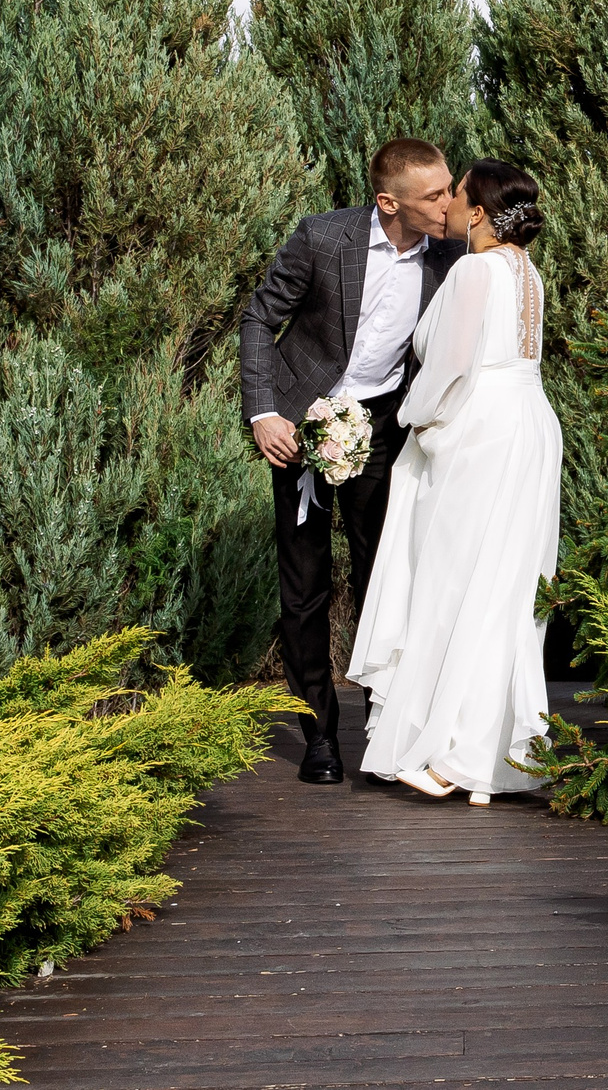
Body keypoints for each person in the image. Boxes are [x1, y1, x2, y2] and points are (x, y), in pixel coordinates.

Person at [238, 138, 465, 785]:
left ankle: (381, 724)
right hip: (299, 425)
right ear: (389, 202)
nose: (447, 202)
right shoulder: (322, 238)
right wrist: (264, 413)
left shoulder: (450, 257)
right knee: (304, 587)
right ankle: (318, 734)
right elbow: (260, 319)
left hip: (383, 430)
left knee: (384, 576)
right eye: (434, 194)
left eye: (449, 188)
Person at [348, 159, 563, 804]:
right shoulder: (530, 273)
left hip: (481, 431)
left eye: (457, 193)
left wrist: (417, 425)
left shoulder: (473, 269)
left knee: (454, 580)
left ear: (477, 213)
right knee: (503, 586)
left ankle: (450, 754)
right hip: (529, 423)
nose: (446, 204)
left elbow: (449, 365)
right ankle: (487, 760)